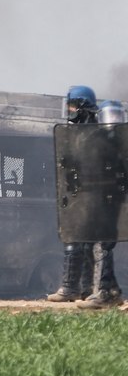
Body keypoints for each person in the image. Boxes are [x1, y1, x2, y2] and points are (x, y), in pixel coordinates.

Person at [49, 86, 119, 306]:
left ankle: (106, 291)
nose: (69, 110)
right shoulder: (75, 134)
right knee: (77, 239)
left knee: (101, 243)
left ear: (83, 106)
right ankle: (78, 288)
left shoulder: (101, 134)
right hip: (83, 196)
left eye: (72, 106)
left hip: (105, 197)